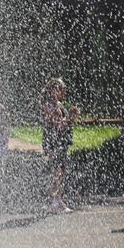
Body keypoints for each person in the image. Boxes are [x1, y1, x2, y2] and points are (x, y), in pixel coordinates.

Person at [42, 77, 79, 213]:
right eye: (60, 89)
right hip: (53, 142)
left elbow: (63, 123)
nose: (62, 92)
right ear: (53, 89)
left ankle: (58, 199)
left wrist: (70, 118)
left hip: (61, 141)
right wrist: (70, 117)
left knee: (61, 171)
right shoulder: (49, 104)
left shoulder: (58, 104)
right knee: (56, 172)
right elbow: (57, 125)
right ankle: (52, 201)